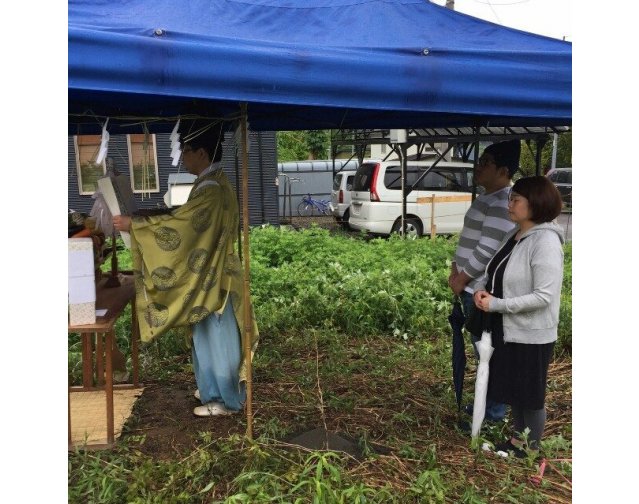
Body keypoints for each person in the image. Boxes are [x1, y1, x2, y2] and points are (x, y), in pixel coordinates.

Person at [113, 121, 259, 417]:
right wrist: (156, 215)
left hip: (213, 276)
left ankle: (227, 399)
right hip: (213, 272)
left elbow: (185, 228)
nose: (182, 157)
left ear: (202, 153)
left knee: (218, 338)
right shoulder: (214, 182)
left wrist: (138, 225)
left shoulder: (211, 189)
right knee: (208, 335)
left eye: (186, 151)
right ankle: (212, 389)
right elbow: (186, 219)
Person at [473, 176, 564, 457]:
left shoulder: (546, 242)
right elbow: (493, 272)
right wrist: (479, 290)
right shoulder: (514, 234)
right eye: (510, 198)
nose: (509, 204)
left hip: (532, 332)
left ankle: (530, 449)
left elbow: (543, 296)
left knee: (530, 394)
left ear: (535, 203)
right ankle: (516, 441)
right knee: (516, 388)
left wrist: (497, 304)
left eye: (516, 200)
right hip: (510, 328)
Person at [448, 139, 519, 422]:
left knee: (486, 350)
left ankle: (492, 412)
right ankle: (487, 406)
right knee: (481, 347)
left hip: (479, 288)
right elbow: (471, 241)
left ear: (503, 171)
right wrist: (456, 270)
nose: (478, 168)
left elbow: (486, 249)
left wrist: (462, 277)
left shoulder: (503, 202)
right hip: (468, 284)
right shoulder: (489, 197)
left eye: (485, 163)